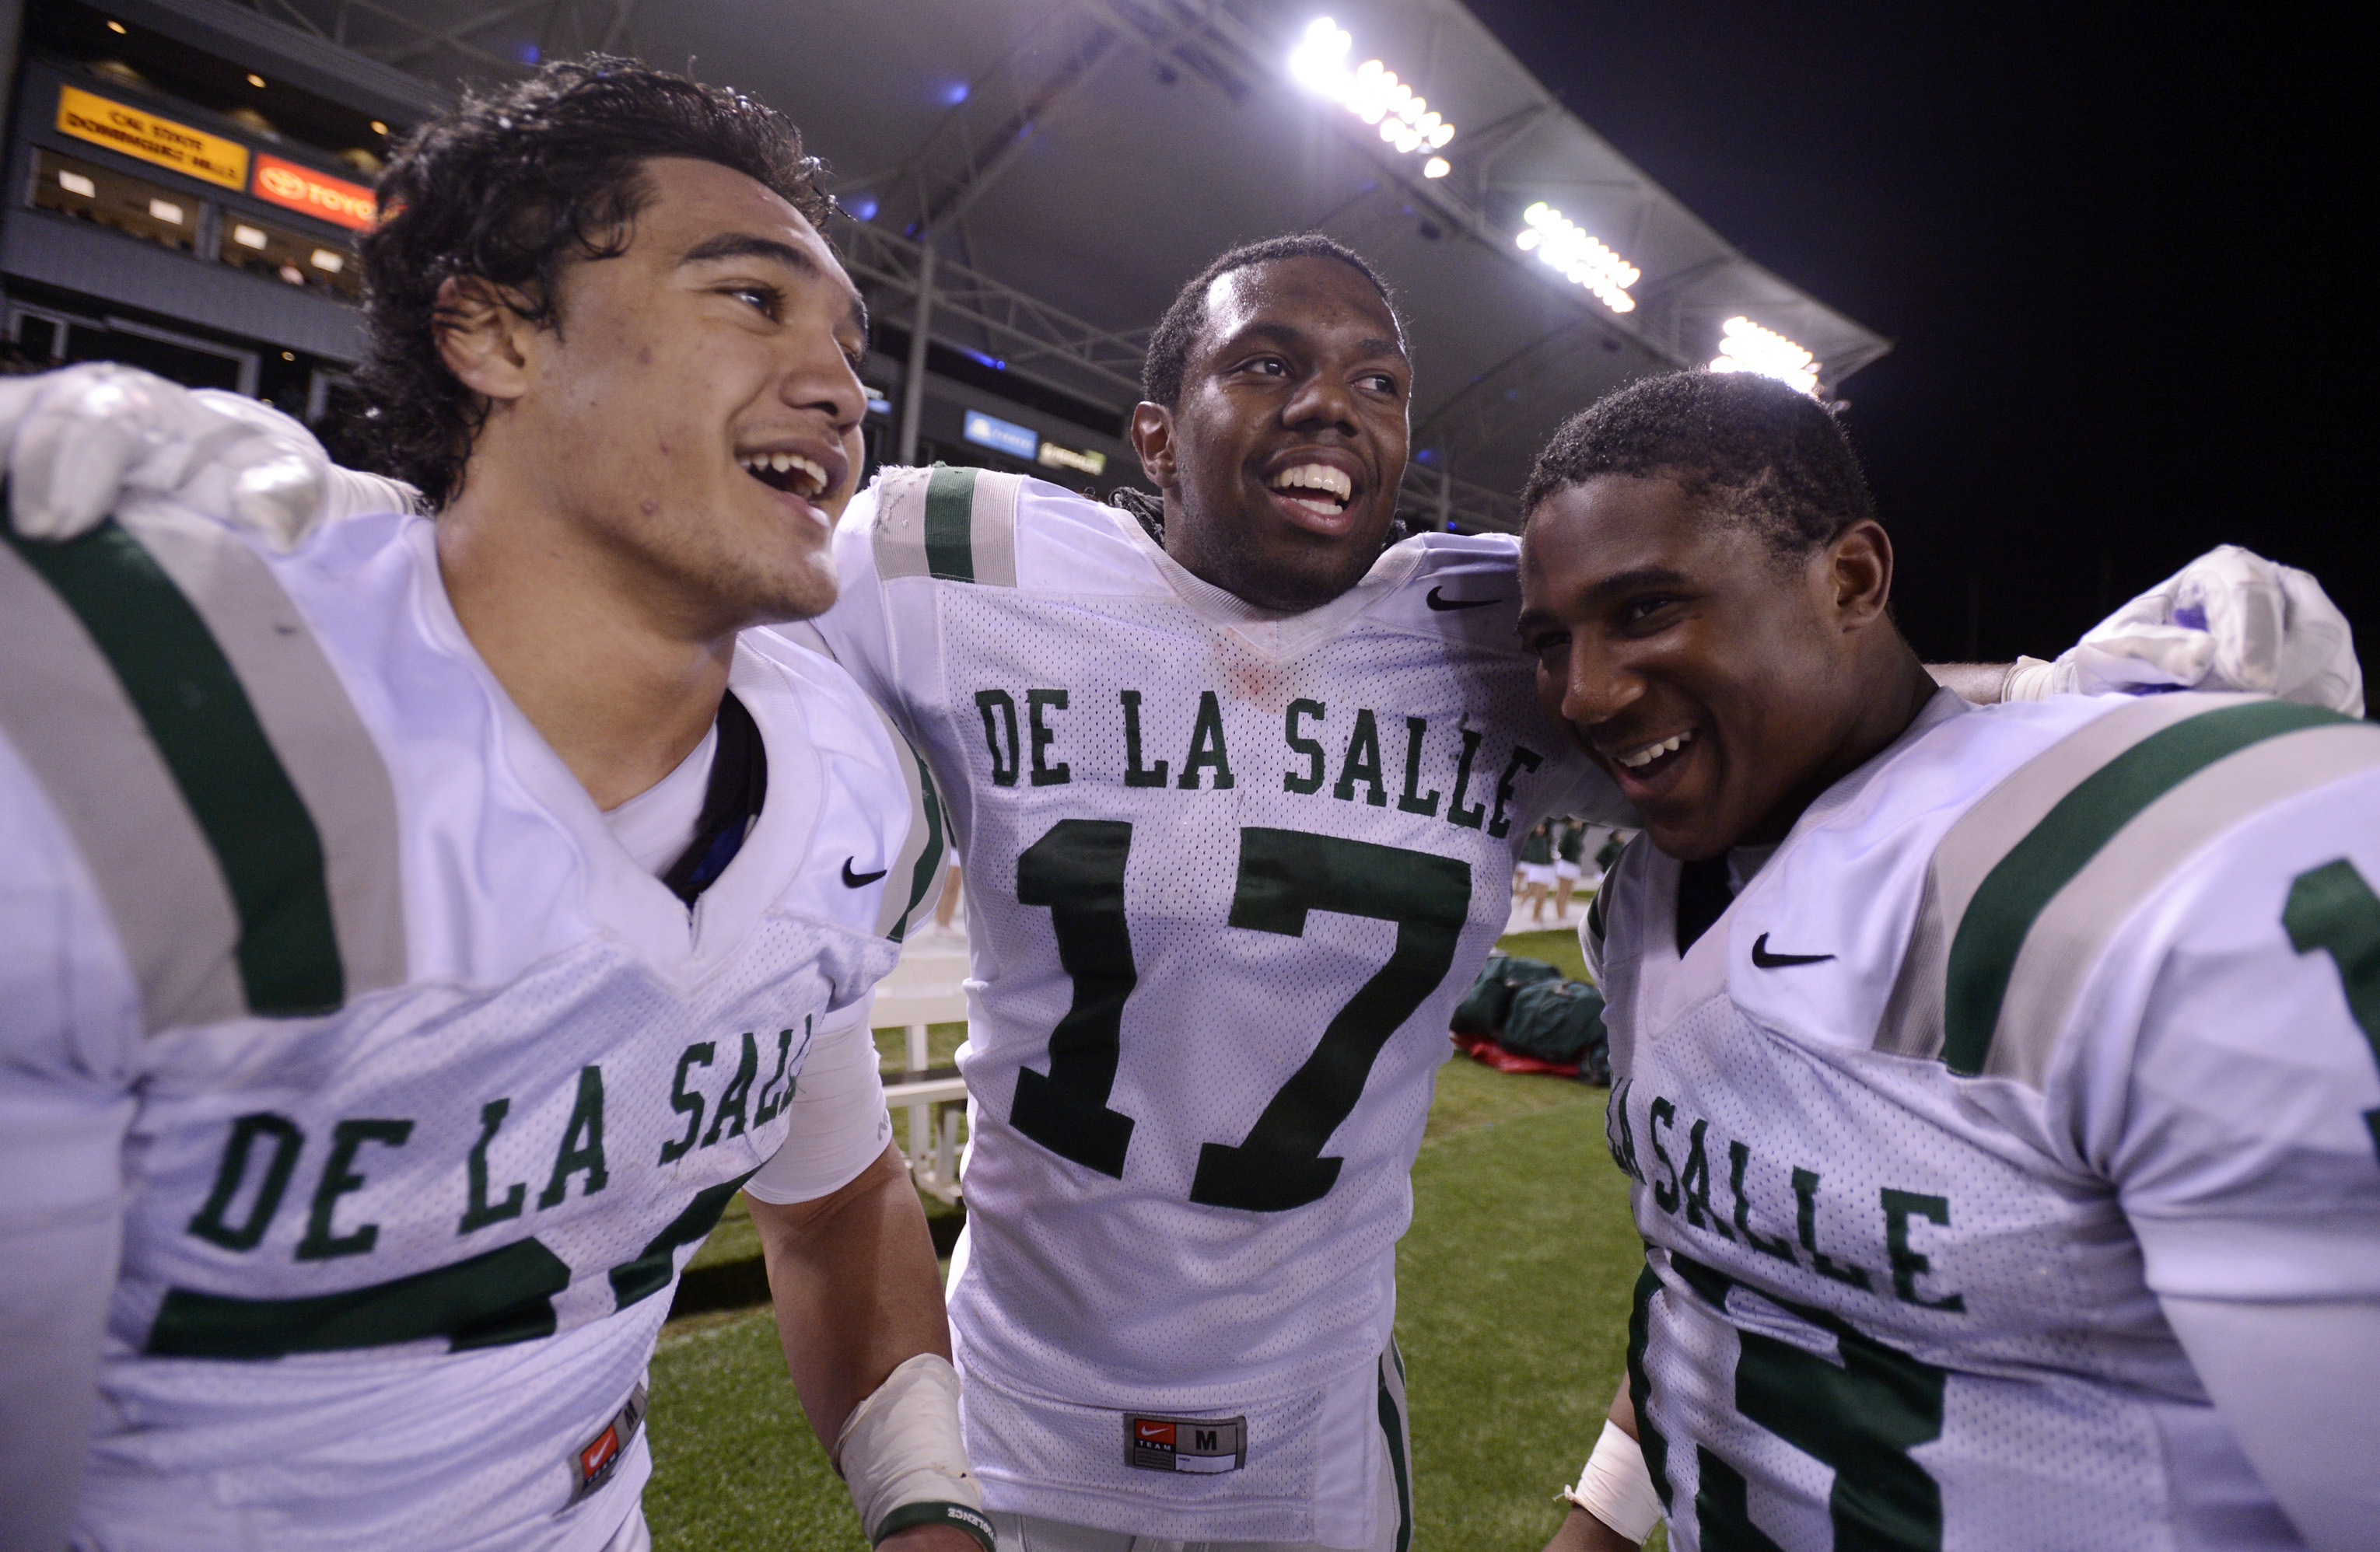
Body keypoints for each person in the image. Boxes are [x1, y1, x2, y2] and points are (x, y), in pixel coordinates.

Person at [16, 226, 2356, 1551]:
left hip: (1319, 1432)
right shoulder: (949, 549)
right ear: (1153, 431)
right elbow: (637, 540)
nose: (1334, 401)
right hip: (1022, 1401)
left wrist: (2086, 692)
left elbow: (1796, 687)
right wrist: (315, 503)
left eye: (1376, 373)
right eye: (1269, 362)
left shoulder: (1498, 617)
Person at [0, 61, 985, 1552]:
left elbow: (838, 1207)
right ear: (493, 330)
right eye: (751, 300)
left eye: (850, 342)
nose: (844, 390)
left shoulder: (843, 781)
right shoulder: (160, 720)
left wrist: (929, 1507)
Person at [1515, 372, 2376, 1551]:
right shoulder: (1646, 896)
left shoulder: (2170, 870)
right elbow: (1711, 1268)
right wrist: (1600, 1526)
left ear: (1853, 578)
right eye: (1552, 641)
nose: (1589, 691)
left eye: (1650, 609)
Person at [1521, 820, 1561, 925]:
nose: (1540, 829)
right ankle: (1533, 915)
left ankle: (1538, 915)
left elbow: (1551, 822)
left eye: (1542, 827)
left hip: (1547, 868)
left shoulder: (1547, 839)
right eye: (1538, 827)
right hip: (1536, 868)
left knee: (1542, 894)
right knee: (1534, 891)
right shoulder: (1532, 838)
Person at [1552, 817, 1589, 919]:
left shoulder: (1576, 832)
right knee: (1562, 890)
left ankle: (1564, 911)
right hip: (1566, 863)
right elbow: (1561, 847)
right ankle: (1560, 914)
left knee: (1569, 891)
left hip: (1574, 864)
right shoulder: (1568, 831)